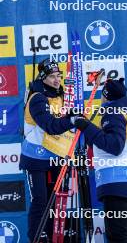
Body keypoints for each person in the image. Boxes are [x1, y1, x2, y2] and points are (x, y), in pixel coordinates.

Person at [71, 78, 127, 243]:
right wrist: (86, 128)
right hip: (120, 183)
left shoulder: (113, 112)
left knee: (118, 237)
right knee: (116, 236)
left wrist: (86, 126)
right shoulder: (119, 112)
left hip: (118, 184)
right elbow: (105, 143)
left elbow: (114, 146)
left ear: (105, 96)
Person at [20, 58, 74, 243]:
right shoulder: (37, 98)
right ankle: (36, 238)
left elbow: (67, 123)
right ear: (43, 78)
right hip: (36, 157)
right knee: (40, 201)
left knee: (56, 201)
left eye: (58, 75)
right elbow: (51, 126)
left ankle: (55, 237)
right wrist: (72, 120)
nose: (57, 80)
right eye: (52, 76)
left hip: (56, 155)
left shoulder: (59, 96)